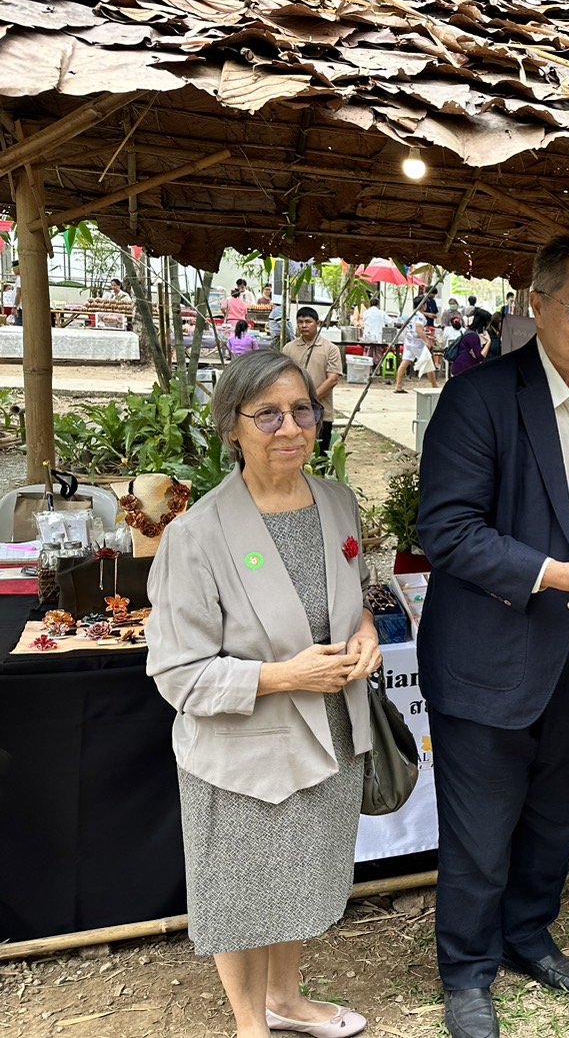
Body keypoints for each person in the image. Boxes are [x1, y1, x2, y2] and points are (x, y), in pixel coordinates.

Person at [416, 236, 569, 1038]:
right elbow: (447, 529)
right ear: (536, 306)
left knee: (551, 816)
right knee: (479, 831)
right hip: (486, 652)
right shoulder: (479, 398)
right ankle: (466, 970)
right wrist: (556, 572)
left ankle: (528, 936)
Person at [145, 350, 381, 1038]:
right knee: (242, 893)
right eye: (268, 414)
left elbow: (354, 596)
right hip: (243, 747)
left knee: (301, 876)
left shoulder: (336, 502)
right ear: (233, 426)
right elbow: (178, 674)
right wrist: (284, 676)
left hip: (330, 727)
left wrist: (365, 632)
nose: (290, 428)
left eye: (302, 410)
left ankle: (286, 998)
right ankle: (251, 1022)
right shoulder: (197, 534)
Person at [279, 306, 342, 457]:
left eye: (308, 322)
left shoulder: (330, 349)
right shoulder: (289, 349)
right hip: (293, 413)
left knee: (319, 456)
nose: (304, 325)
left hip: (322, 412)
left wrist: (309, 399)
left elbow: (333, 379)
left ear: (317, 323)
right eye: (300, 322)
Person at [394, 310, 440, 393]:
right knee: (428, 363)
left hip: (409, 341)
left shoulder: (411, 314)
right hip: (417, 344)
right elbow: (418, 329)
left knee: (405, 362)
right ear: (424, 306)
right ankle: (434, 386)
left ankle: (398, 385)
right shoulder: (420, 317)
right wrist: (426, 341)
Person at [447, 307, 496, 378]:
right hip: (464, 370)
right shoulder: (473, 336)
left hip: (462, 368)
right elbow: (480, 357)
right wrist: (489, 342)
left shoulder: (469, 332)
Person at [360, 297, 389, 371]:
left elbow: (364, 322)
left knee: (368, 352)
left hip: (368, 337)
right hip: (379, 337)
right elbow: (390, 322)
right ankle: (377, 369)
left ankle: (368, 369)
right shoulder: (381, 313)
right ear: (378, 305)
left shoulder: (366, 313)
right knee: (378, 353)